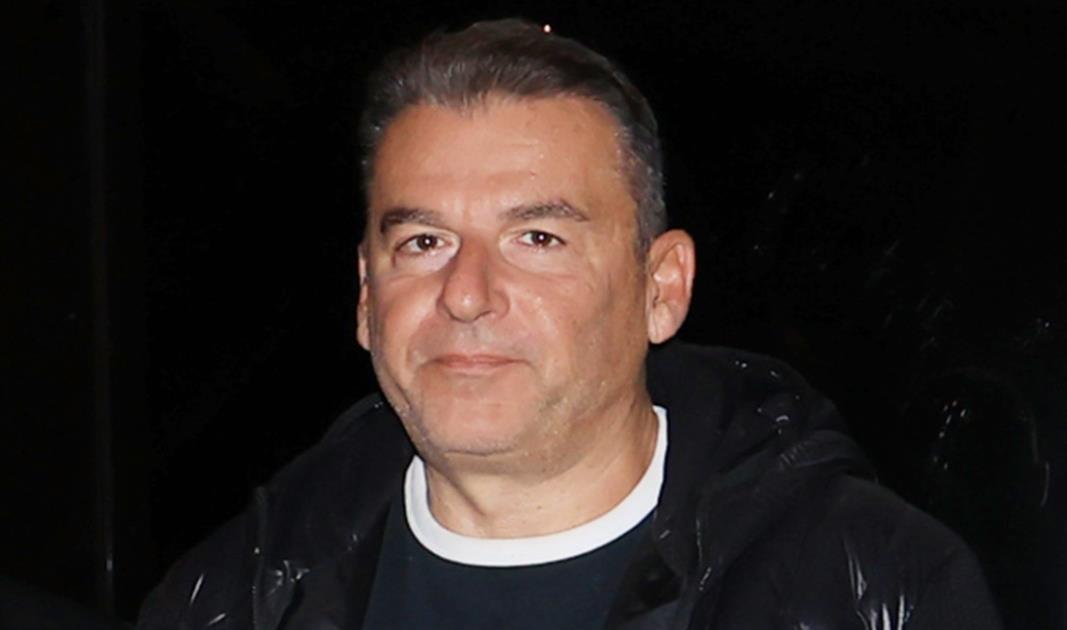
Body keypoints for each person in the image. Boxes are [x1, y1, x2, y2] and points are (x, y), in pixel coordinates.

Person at [138, 18, 1001, 629]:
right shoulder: (230, 599)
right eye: (424, 242)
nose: (466, 294)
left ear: (661, 287)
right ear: (367, 295)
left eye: (537, 238)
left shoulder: (869, 589)